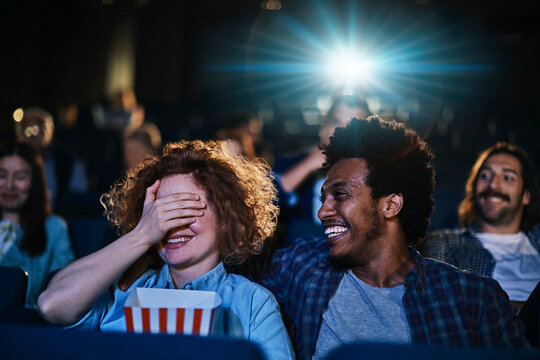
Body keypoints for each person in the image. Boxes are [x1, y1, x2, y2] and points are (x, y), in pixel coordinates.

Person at [118, 117, 529, 359]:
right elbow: (225, 245)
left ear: (391, 204)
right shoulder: (302, 267)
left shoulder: (470, 298)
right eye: (322, 196)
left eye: (340, 196)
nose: (321, 211)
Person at [38, 140, 295, 360]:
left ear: (226, 219)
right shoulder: (123, 291)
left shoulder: (252, 303)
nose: (170, 225)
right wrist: (142, 235)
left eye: (185, 209)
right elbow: (52, 305)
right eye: (160, 213)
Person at [419, 142, 540, 310]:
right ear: (474, 187)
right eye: (485, 176)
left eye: (508, 178)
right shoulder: (446, 243)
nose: (493, 185)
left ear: (526, 195)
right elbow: (441, 308)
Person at [273, 94, 370, 244]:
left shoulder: (373, 169)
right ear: (324, 126)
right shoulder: (291, 162)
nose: (342, 132)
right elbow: (263, 206)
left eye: (352, 127)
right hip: (301, 254)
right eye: (336, 122)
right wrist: (308, 165)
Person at [0, 140, 75, 307]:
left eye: (20, 177)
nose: (10, 185)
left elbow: (64, 288)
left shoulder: (54, 228)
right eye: (2, 175)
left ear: (34, 183)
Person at [15, 107, 88, 212]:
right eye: (27, 130)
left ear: (50, 131)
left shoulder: (69, 163)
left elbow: (79, 201)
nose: (32, 135)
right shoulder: (7, 163)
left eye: (39, 129)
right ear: (19, 135)